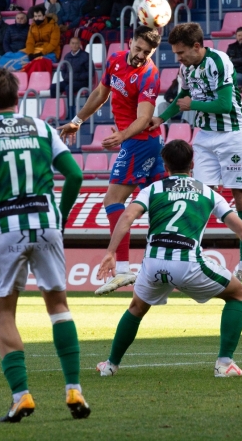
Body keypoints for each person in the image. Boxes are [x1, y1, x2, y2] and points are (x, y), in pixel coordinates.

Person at [0, 65, 89, 422]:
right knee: (58, 305)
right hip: (45, 222)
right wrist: (62, 213)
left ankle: (21, 395)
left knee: (5, 313)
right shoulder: (42, 128)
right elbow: (75, 174)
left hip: (6, 228)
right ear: (17, 97)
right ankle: (74, 388)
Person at [94, 139, 242, 378]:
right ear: (193, 163)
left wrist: (110, 252)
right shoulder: (208, 193)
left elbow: (127, 216)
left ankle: (110, 365)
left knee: (137, 307)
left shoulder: (153, 189)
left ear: (164, 165)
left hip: (152, 264)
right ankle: (224, 364)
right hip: (188, 263)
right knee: (236, 293)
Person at [58, 26, 163, 294]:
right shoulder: (115, 60)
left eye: (146, 52)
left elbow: (143, 118)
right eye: (137, 49)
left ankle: (125, 269)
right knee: (161, 205)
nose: (140, 55)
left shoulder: (149, 75)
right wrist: (77, 121)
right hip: (141, 142)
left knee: (113, 201)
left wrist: (123, 137)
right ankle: (165, 268)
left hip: (139, 142)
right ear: (130, 43)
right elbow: (100, 94)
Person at [153, 23, 242, 285]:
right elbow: (181, 98)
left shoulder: (219, 61)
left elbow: (222, 104)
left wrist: (192, 104)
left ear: (197, 46)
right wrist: (160, 118)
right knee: (199, 197)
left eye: (181, 52)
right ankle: (190, 255)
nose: (179, 58)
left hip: (232, 134)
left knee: (240, 198)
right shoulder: (186, 67)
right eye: (176, 53)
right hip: (204, 136)